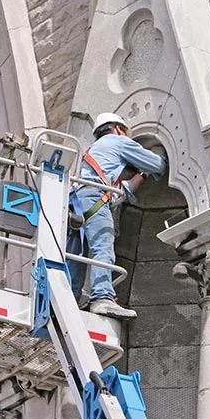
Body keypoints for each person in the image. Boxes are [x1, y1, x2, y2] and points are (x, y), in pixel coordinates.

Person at [66, 113, 166, 319]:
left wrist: (142, 175)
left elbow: (121, 192)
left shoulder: (93, 152)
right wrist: (159, 156)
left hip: (77, 203)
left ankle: (69, 299)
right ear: (118, 129)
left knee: (77, 256)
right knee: (103, 246)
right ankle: (102, 297)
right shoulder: (118, 141)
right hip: (95, 199)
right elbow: (157, 164)